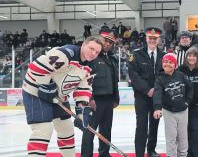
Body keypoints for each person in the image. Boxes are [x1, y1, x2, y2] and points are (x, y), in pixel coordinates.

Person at [22, 35, 104, 157]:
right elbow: (36, 67)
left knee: (66, 128)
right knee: (43, 129)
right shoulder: (66, 54)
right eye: (91, 48)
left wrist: (82, 112)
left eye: (97, 52)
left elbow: (83, 88)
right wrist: (45, 86)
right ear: (83, 45)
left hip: (58, 96)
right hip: (35, 91)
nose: (93, 53)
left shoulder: (91, 66)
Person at [81, 28, 119, 157]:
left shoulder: (112, 59)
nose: (108, 44)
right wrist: (89, 99)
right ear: (100, 39)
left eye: (111, 42)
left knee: (106, 131)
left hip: (109, 101)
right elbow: (84, 80)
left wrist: (116, 99)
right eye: (106, 40)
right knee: (89, 131)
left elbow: (114, 82)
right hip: (94, 101)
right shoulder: (91, 57)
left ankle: (104, 154)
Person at [128, 27, 166, 157]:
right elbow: (134, 76)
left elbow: (164, 76)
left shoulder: (163, 55)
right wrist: (147, 90)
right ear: (146, 38)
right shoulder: (136, 54)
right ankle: (139, 153)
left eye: (155, 38)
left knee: (155, 125)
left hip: (157, 96)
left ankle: (151, 150)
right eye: (150, 38)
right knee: (142, 126)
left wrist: (156, 90)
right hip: (142, 96)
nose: (152, 40)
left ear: (159, 39)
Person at [153, 53, 193, 157]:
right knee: (171, 137)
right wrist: (157, 108)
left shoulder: (181, 75)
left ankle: (183, 155)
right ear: (162, 64)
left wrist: (187, 102)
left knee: (183, 137)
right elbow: (157, 93)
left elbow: (190, 89)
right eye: (166, 62)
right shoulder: (160, 79)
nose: (168, 64)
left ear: (175, 65)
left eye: (171, 62)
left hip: (183, 111)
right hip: (169, 112)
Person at [178, 47, 198, 157]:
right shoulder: (180, 70)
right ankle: (184, 153)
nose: (191, 58)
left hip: (196, 106)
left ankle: (194, 154)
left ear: (197, 57)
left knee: (194, 129)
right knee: (183, 131)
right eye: (189, 55)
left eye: (194, 55)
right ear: (186, 57)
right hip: (183, 106)